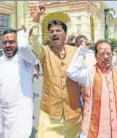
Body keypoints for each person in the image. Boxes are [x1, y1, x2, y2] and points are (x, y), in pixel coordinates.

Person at [29, 5, 82, 138]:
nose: (54, 34)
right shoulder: (44, 52)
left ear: (65, 34)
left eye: (58, 31)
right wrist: (36, 20)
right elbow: (33, 43)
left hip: (73, 115)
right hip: (50, 115)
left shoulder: (76, 53)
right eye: (51, 32)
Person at [67, 40, 117, 138]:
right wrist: (83, 50)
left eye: (108, 53)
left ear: (112, 55)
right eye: (102, 53)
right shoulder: (89, 73)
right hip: (94, 130)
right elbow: (71, 71)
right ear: (96, 56)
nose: (106, 57)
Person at [0, 26, 37, 138]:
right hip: (2, 115)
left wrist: (21, 32)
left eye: (12, 42)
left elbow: (24, 47)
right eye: (5, 42)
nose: (8, 45)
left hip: (20, 115)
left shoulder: (26, 60)